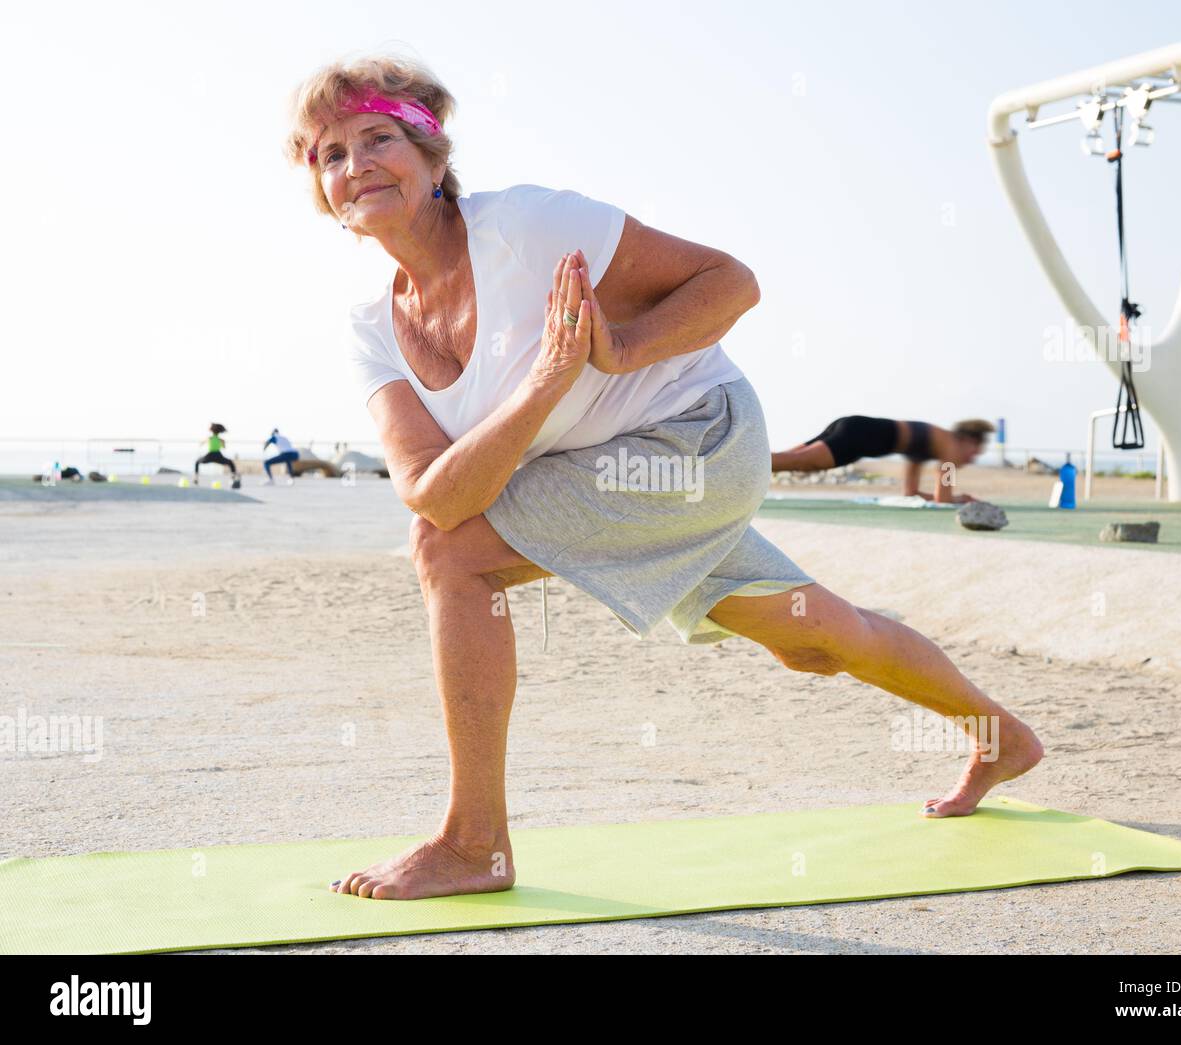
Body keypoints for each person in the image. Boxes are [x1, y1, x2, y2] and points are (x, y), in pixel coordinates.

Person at [284, 54, 1042, 901]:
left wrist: (624, 349)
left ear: (431, 156)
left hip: (699, 440)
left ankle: (474, 844)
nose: (355, 166)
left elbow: (731, 283)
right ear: (323, 193)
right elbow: (434, 486)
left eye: (377, 138)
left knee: (450, 555)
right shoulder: (370, 330)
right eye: (330, 155)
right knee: (814, 638)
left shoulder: (531, 227)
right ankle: (998, 733)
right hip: (608, 473)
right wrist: (547, 383)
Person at [772, 417, 995, 504]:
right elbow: (944, 498)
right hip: (861, 436)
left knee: (791, 459)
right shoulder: (950, 448)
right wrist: (963, 499)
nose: (972, 457)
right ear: (967, 440)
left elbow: (910, 492)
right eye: (975, 450)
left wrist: (944, 497)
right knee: (798, 461)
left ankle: (743, 468)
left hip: (857, 427)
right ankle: (739, 462)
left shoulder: (933, 442)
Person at [193, 423, 241, 488]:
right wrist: (221, 443)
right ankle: (233, 478)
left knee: (197, 462)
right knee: (230, 463)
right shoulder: (221, 440)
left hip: (210, 455)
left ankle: (196, 478)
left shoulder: (209, 438)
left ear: (212, 431)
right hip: (218, 455)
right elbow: (224, 447)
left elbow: (201, 444)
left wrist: (203, 443)